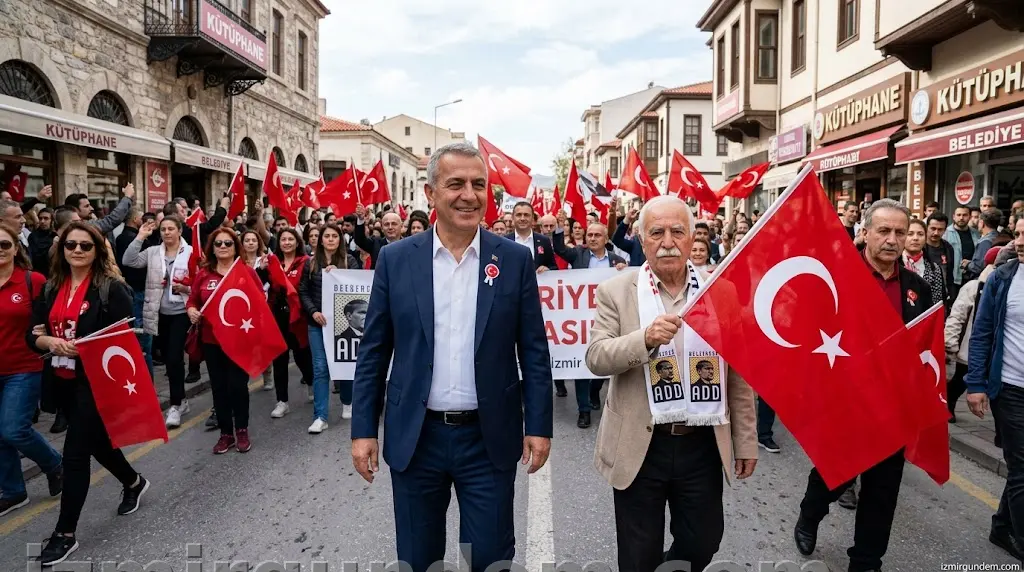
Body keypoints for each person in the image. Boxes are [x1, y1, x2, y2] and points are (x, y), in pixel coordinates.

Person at [351, 142, 553, 572]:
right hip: (416, 439)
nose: (469, 194)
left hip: (489, 440)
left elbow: (534, 351)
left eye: (478, 184)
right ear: (430, 194)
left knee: (491, 558)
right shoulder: (396, 259)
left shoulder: (513, 260)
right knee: (419, 559)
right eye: (456, 184)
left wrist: (538, 425)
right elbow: (373, 352)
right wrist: (363, 429)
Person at [585, 195, 757, 572]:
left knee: (703, 540)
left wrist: (745, 441)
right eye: (657, 232)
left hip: (701, 443)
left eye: (677, 231)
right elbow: (596, 357)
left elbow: (738, 375)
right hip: (640, 442)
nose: (668, 241)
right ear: (641, 240)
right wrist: (643, 339)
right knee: (637, 555)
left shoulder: (720, 291)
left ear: (692, 235)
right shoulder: (617, 290)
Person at [794, 199, 934, 572]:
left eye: (900, 233)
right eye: (884, 231)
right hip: (844, 401)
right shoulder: (838, 276)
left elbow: (925, 346)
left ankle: (867, 559)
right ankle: (810, 514)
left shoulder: (917, 288)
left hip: (893, 407)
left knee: (883, 490)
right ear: (865, 232)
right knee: (834, 475)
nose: (892, 240)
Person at [29, 222, 149, 566]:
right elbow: (31, 333)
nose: (77, 251)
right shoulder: (51, 288)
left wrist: (89, 348)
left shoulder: (111, 288)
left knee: (75, 454)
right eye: (71, 245)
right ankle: (133, 481)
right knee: (97, 443)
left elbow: (125, 337)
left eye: (85, 245)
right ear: (61, 249)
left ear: (97, 250)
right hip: (62, 381)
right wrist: (48, 341)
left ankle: (65, 533)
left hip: (97, 382)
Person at [965, 219, 1024, 559]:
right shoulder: (1002, 277)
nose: (1019, 241)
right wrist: (975, 384)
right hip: (1011, 389)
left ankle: (1002, 527)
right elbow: (982, 332)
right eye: (1017, 234)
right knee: (1023, 466)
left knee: (1020, 468)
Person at [0, 223, 63, 518]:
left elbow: (55, 314)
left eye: (4, 245)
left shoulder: (32, 281)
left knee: (13, 429)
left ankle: (54, 463)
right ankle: (13, 491)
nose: (0, 251)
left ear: (16, 248)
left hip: (24, 368)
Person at [186, 228, 260, 454]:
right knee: (219, 388)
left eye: (228, 243)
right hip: (212, 342)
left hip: (239, 341)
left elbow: (259, 304)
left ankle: (242, 430)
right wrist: (191, 311)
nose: (223, 247)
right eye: (218, 243)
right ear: (212, 248)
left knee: (238, 387)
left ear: (235, 246)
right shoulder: (204, 274)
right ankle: (226, 433)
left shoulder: (246, 272)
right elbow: (192, 301)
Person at [121, 215, 193, 428]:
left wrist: (186, 288)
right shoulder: (153, 252)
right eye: (163, 229)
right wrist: (140, 236)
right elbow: (128, 261)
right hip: (158, 313)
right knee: (171, 361)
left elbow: (200, 280)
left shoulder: (190, 253)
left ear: (180, 230)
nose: (167, 232)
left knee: (173, 358)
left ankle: (176, 404)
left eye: (171, 228)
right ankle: (182, 400)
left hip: (182, 312)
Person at [297, 223, 359, 434]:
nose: (331, 239)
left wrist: (340, 273)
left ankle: (348, 402)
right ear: (320, 239)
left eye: (335, 236)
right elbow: (303, 291)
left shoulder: (349, 261)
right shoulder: (311, 263)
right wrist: (313, 311)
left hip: (343, 326)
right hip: (318, 324)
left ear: (340, 239)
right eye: (327, 236)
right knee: (321, 368)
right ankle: (320, 416)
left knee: (346, 366)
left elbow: (359, 290)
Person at [269, 228, 314, 417]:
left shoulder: (306, 263)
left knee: (302, 357)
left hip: (298, 318)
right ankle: (282, 401)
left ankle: (311, 382)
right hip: (277, 317)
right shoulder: (272, 264)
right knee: (279, 360)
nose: (286, 242)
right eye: (283, 239)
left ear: (297, 243)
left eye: (290, 239)